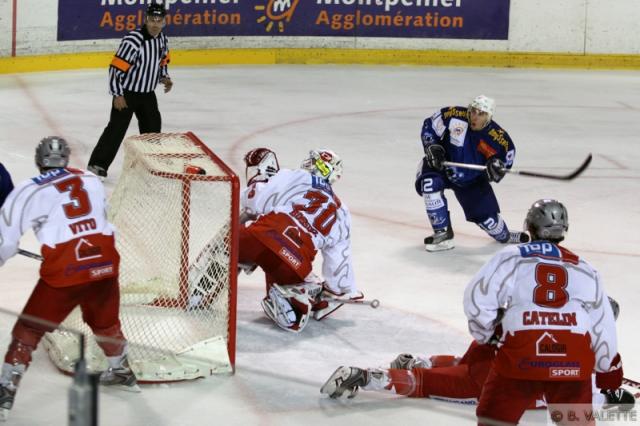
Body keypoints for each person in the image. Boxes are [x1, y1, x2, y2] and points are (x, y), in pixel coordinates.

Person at [0, 137, 138, 421]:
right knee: (104, 321)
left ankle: (5, 391)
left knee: (29, 329)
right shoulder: (90, 179)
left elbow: (7, 242)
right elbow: (102, 219)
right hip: (106, 261)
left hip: (66, 270)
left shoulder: (29, 188)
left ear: (39, 161)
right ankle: (121, 370)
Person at [320, 297, 634, 412]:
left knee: (465, 364)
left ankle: (423, 361)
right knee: (427, 384)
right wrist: (614, 399)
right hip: (494, 381)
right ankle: (364, 377)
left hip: (495, 345)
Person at [238, 148, 363, 333]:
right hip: (295, 262)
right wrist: (335, 290)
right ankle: (296, 302)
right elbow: (339, 262)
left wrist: (258, 179)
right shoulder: (342, 212)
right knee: (284, 263)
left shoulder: (296, 176)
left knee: (229, 243)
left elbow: (254, 200)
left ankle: (203, 292)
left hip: (260, 238)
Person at [415, 95, 529, 251]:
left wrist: (497, 168)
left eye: (481, 114)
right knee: (429, 184)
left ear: (488, 117)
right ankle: (442, 235)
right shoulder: (454, 115)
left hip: (471, 180)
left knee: (490, 223)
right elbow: (430, 125)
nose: (475, 116)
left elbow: (506, 158)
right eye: (473, 111)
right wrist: (433, 146)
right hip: (442, 166)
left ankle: (505, 235)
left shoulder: (498, 138)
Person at [87, 2, 172, 178]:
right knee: (116, 129)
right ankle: (97, 165)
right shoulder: (133, 40)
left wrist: (164, 77)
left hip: (147, 93)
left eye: (159, 20)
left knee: (153, 128)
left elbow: (163, 60)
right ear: (146, 20)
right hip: (127, 93)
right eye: (152, 20)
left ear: (164, 21)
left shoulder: (162, 39)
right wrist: (117, 94)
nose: (155, 24)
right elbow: (115, 69)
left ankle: (151, 164)